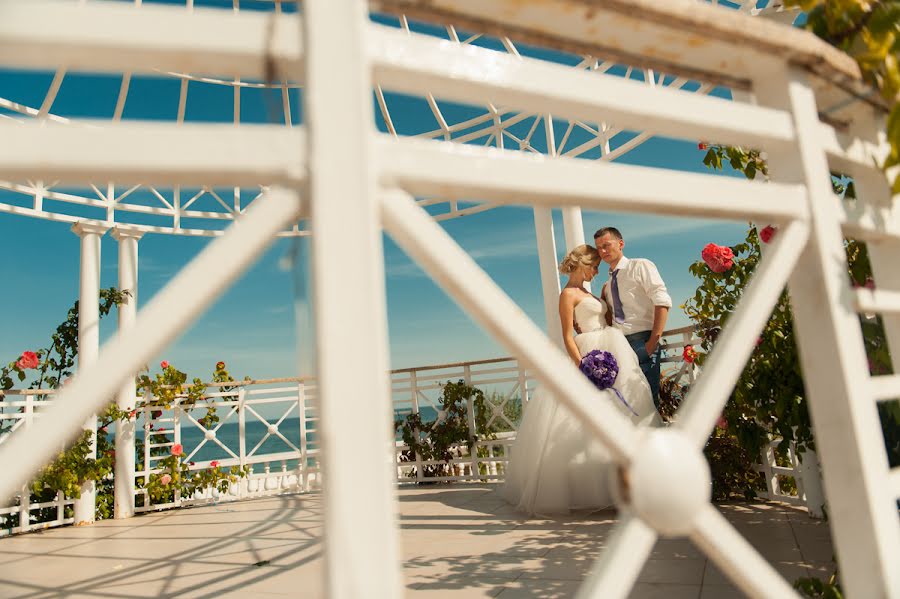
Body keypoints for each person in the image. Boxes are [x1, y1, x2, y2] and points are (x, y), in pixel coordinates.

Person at [501, 245, 661, 516]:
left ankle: (628, 484)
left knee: (623, 413)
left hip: (611, 349)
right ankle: (594, 489)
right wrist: (584, 367)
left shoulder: (590, 292)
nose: (596, 271)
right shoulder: (567, 295)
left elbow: (608, 318)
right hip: (587, 354)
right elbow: (566, 336)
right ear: (582, 264)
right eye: (593, 265)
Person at [594, 227, 671, 409]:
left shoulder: (640, 266)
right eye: (599, 248)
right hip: (618, 347)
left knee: (648, 407)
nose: (603, 251)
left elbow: (662, 300)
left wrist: (653, 342)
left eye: (606, 245)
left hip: (642, 342)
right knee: (626, 407)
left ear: (621, 244)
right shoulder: (607, 285)